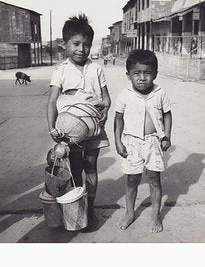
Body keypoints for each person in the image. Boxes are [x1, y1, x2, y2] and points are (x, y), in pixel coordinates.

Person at [47, 14, 111, 229]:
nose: (81, 49)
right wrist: (52, 128)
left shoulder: (96, 69)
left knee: (91, 166)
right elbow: (52, 101)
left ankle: (90, 209)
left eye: (86, 45)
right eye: (76, 44)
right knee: (75, 169)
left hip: (94, 127)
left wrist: (106, 109)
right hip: (70, 130)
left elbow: (106, 97)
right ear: (64, 44)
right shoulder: (61, 71)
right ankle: (77, 208)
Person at [114, 49, 172, 233]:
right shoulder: (125, 95)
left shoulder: (160, 93)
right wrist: (118, 141)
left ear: (155, 73)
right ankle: (130, 213)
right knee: (132, 180)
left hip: (153, 142)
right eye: (136, 73)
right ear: (128, 75)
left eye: (147, 73)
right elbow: (118, 119)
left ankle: (155, 215)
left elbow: (167, 115)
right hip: (131, 143)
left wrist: (166, 136)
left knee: (154, 179)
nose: (142, 78)